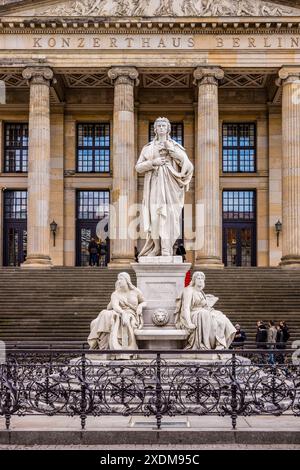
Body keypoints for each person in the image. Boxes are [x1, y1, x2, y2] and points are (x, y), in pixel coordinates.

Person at [136, 117, 193, 257]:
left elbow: (188, 165)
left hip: (171, 186)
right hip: (154, 185)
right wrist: (153, 162)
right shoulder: (148, 148)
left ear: (168, 129)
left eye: (164, 125)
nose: (161, 128)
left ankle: (166, 248)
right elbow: (138, 167)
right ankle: (156, 247)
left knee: (168, 218)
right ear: (155, 129)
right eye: (159, 125)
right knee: (155, 217)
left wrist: (171, 150)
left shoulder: (175, 146)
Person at [88, 273, 146, 358]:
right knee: (106, 314)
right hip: (119, 312)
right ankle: (104, 348)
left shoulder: (136, 291)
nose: (119, 281)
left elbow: (144, 301)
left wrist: (140, 306)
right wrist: (122, 313)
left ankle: (113, 349)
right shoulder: (116, 294)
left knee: (110, 315)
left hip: (131, 314)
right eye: (118, 279)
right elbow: (115, 306)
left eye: (121, 279)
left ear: (127, 280)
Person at [175, 272, 236, 351]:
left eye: (202, 279)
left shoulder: (201, 292)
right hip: (193, 313)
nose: (200, 280)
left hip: (204, 311)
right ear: (194, 280)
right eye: (198, 278)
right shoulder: (189, 290)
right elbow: (186, 308)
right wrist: (189, 323)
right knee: (204, 314)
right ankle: (205, 344)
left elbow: (205, 306)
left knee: (221, 319)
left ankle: (220, 344)